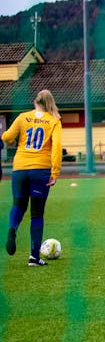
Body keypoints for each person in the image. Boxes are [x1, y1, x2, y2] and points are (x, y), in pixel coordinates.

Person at [2, 89, 62, 265]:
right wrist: (55, 172)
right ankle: (34, 257)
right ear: (50, 103)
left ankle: (12, 229)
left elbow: (7, 137)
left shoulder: (23, 117)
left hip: (19, 168)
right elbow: (57, 147)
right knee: (37, 213)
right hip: (40, 170)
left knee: (18, 205)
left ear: (35, 102)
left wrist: (10, 140)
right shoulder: (54, 121)